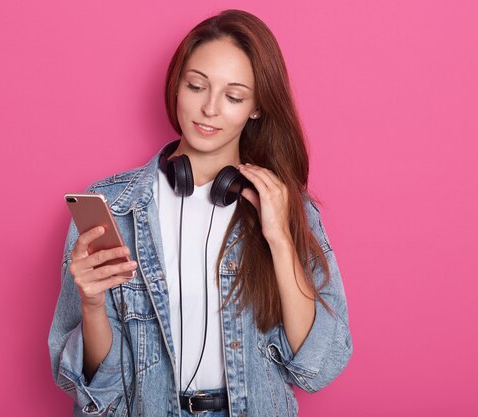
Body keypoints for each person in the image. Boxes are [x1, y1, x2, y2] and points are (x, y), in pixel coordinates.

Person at [49, 9, 352, 417]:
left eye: (233, 96)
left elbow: (318, 365)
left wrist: (279, 239)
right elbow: (100, 388)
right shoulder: (115, 207)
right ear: (177, 86)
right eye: (196, 86)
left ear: (257, 108)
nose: (209, 108)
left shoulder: (286, 206)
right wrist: (90, 304)